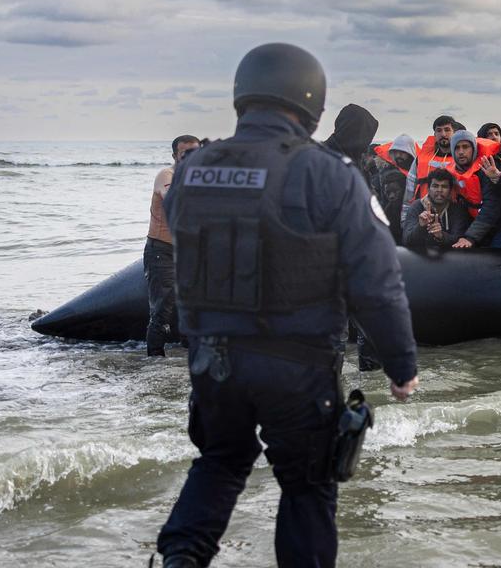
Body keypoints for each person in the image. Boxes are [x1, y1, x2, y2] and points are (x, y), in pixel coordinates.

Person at [154, 43, 418, 568]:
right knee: (307, 488)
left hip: (213, 361)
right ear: (311, 101)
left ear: (242, 96)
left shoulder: (193, 169)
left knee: (220, 463)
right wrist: (401, 365)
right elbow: (377, 280)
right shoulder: (330, 173)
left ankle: (180, 560)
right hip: (296, 365)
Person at [144, 134, 201, 357]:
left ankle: (186, 356)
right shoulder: (166, 175)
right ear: (175, 156)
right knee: (162, 309)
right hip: (162, 251)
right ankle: (154, 361)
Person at [403, 168, 472, 251]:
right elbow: (406, 240)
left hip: (450, 260)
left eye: (444, 186)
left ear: (450, 191)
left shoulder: (458, 209)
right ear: (428, 189)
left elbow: (459, 240)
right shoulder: (416, 206)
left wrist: (441, 236)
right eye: (435, 186)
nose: (439, 190)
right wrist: (421, 227)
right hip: (422, 258)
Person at [369, 134, 415, 245]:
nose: (399, 155)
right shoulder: (387, 172)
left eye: (403, 152)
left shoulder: (416, 171)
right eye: (396, 152)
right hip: (392, 212)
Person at [322, 103, 379, 185]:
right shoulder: (321, 158)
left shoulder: (357, 162)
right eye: (365, 136)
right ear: (354, 132)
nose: (366, 145)